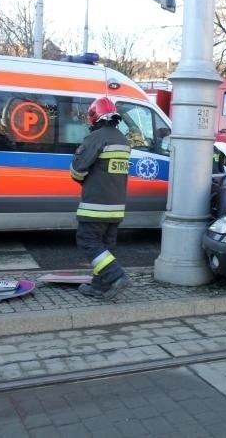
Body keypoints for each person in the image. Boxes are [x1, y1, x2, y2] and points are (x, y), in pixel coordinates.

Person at [70, 97, 132, 300]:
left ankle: (117, 276)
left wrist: (84, 179)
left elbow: (77, 170)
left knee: (88, 242)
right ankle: (99, 287)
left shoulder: (96, 138)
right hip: (116, 207)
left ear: (94, 116)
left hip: (94, 206)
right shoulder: (123, 139)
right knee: (104, 247)